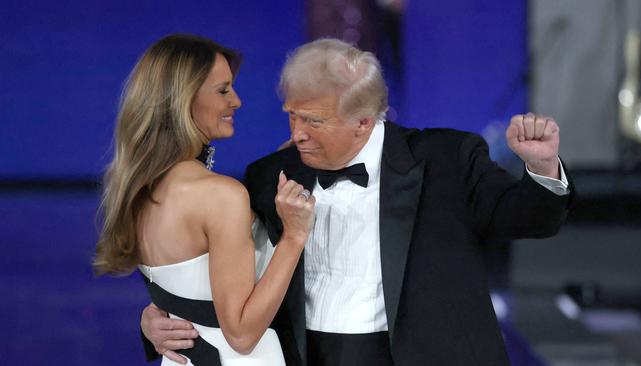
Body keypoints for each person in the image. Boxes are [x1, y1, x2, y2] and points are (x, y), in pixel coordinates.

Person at [141, 38, 574, 365]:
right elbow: (215, 270)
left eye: (313, 120)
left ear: (364, 120)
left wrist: (542, 168)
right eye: (291, 114)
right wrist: (154, 322)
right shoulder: (267, 175)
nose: (297, 134)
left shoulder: (448, 159)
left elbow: (527, 219)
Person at [94, 34, 316, 366]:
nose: (237, 101)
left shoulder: (137, 186)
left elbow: (184, 289)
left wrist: (150, 319)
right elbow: (240, 335)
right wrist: (294, 237)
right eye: (223, 90)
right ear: (184, 99)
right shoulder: (220, 196)